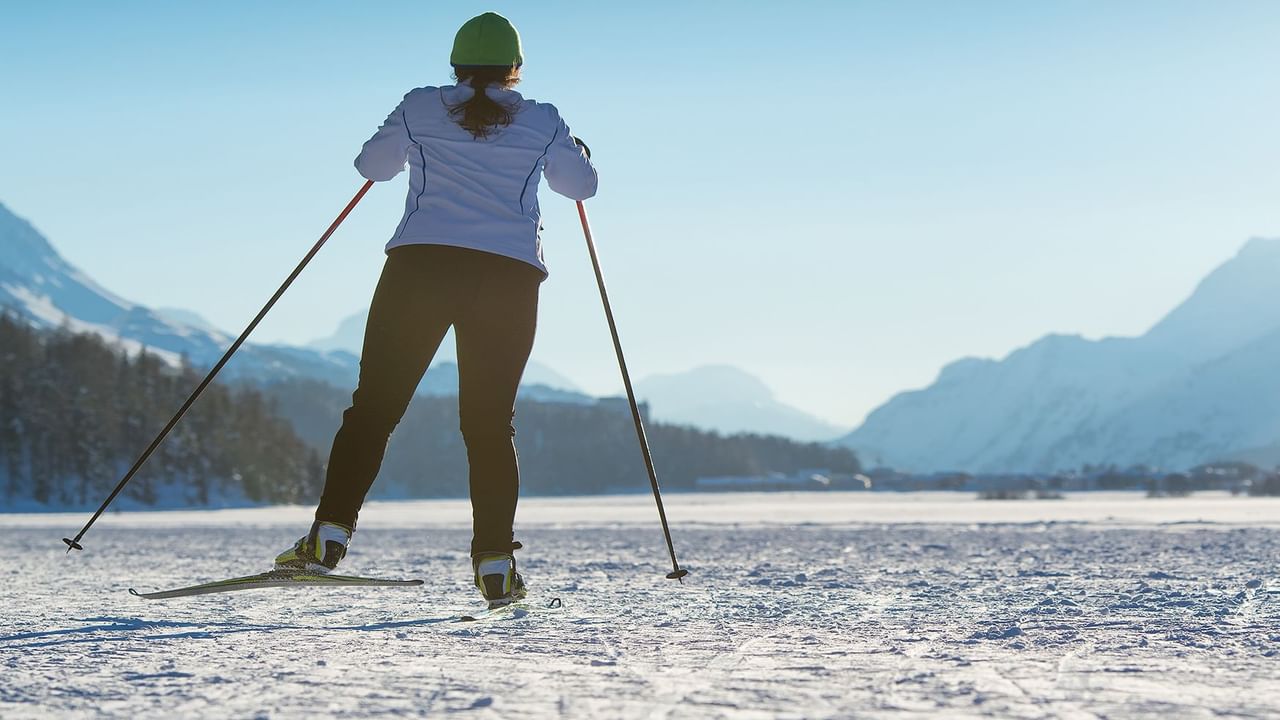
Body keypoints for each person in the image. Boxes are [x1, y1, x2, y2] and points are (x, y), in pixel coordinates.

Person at [274, 11, 597, 608]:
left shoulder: (421, 106)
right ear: (514, 68)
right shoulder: (544, 119)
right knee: (489, 424)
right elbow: (580, 188)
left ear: (455, 64)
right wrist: (574, 148)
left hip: (420, 269)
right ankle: (495, 563)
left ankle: (326, 539)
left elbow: (372, 167)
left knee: (374, 409)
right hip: (507, 277)